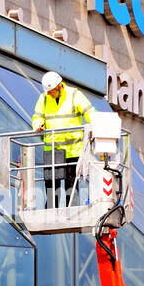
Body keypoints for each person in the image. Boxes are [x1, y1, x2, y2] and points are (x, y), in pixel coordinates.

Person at [31, 71, 94, 208]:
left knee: (71, 184)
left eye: (52, 91)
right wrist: (38, 125)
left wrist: (96, 126)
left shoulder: (74, 95)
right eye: (49, 92)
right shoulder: (44, 98)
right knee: (51, 183)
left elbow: (89, 112)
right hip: (52, 148)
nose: (50, 94)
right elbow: (37, 117)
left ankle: (71, 210)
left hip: (72, 150)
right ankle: (50, 211)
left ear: (59, 86)